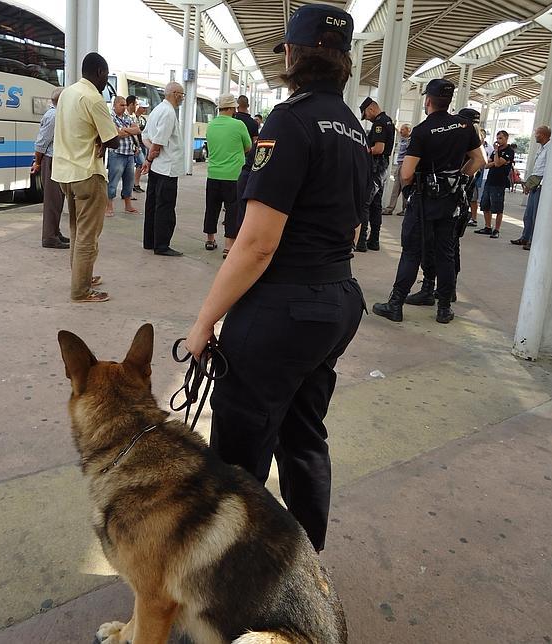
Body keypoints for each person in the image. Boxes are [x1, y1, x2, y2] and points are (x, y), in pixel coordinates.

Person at [185, 4, 369, 553]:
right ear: (344, 61)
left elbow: (258, 243)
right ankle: (306, 565)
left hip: (283, 309)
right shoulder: (356, 131)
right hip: (336, 301)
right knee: (304, 436)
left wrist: (203, 322)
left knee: (238, 456)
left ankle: (233, 582)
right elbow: (355, 229)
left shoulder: (288, 122)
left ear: (291, 54)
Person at [372, 78, 485, 324]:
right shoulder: (464, 126)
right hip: (450, 202)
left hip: (423, 202)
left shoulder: (422, 131)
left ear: (428, 101)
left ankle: (396, 304)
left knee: (412, 252)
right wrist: (455, 178)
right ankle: (444, 308)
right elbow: (479, 161)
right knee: (445, 252)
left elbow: (406, 173)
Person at [52, 52, 119, 303]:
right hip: (87, 174)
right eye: (106, 76)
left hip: (64, 174)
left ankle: (81, 276)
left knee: (76, 229)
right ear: (100, 72)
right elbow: (112, 138)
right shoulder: (93, 98)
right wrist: (106, 137)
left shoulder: (67, 93)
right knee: (88, 236)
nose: (105, 82)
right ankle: (80, 290)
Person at [405, 107, 483, 306]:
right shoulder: (471, 137)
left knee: (432, 247)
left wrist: (457, 179)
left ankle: (430, 289)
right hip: (456, 201)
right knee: (449, 250)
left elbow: (407, 173)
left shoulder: (457, 136)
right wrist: (460, 180)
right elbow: (480, 160)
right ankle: (446, 294)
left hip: (443, 200)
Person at [203, 93, 252, 256]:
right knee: (232, 210)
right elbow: (248, 146)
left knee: (211, 208)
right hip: (233, 175)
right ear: (232, 108)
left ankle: (210, 239)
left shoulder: (211, 125)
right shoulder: (238, 125)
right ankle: (228, 246)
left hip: (213, 174)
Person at [140, 82, 185, 256]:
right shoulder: (168, 112)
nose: (182, 97)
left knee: (152, 204)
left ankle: (149, 241)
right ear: (174, 94)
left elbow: (145, 137)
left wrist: (150, 157)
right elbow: (159, 141)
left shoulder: (157, 110)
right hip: (167, 167)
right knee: (165, 207)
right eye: (182, 94)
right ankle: (162, 245)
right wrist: (151, 156)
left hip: (158, 167)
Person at [355, 96, 395, 251]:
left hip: (376, 167)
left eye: (366, 115)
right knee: (376, 205)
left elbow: (379, 148)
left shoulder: (379, 123)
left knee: (365, 203)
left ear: (371, 109)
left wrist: (364, 150)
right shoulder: (388, 120)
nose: (367, 119)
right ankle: (374, 240)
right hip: (383, 168)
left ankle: (362, 241)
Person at [31, 87, 68, 249]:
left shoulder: (58, 115)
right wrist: (37, 162)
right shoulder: (53, 116)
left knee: (58, 199)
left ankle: (55, 232)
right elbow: (41, 143)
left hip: (56, 159)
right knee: (52, 200)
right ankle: (49, 237)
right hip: (51, 160)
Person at [510, 125, 551, 251]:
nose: (535, 136)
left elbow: (547, 170)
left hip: (541, 186)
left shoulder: (550, 149)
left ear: (543, 135)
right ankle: (525, 237)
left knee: (535, 216)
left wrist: (537, 183)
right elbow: (537, 168)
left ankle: (533, 240)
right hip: (535, 184)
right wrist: (529, 183)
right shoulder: (542, 148)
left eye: (537, 133)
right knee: (528, 215)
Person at [474, 129, 514, 239]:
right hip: (490, 180)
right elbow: (487, 165)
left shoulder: (509, 151)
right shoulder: (496, 151)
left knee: (497, 207)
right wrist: (495, 161)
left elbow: (496, 163)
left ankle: (497, 229)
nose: (498, 140)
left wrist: (496, 153)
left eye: (501, 138)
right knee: (485, 205)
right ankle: (487, 227)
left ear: (506, 138)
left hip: (499, 182)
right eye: (497, 138)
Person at [106, 95, 141, 216]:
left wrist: (124, 130)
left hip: (129, 154)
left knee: (129, 181)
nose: (124, 107)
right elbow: (117, 133)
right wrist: (127, 130)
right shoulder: (110, 117)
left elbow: (137, 130)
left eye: (125, 105)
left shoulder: (128, 117)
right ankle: (109, 206)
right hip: (117, 154)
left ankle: (128, 205)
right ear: (114, 105)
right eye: (121, 105)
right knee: (113, 181)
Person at [382, 123, 411, 216]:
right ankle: (390, 208)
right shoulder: (402, 139)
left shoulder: (411, 141)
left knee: (405, 189)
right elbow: (398, 132)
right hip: (399, 166)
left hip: (405, 165)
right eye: (401, 129)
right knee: (395, 189)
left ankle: (406, 209)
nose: (401, 131)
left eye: (403, 129)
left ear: (408, 131)